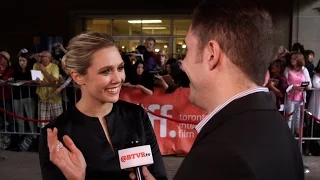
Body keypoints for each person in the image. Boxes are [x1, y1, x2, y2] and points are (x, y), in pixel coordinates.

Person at [140, 1, 305, 180]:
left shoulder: (218, 154)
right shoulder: (277, 126)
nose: (184, 65)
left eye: (187, 50)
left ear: (212, 54)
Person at [38, 32, 167, 180]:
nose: (118, 79)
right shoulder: (56, 134)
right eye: (106, 71)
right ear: (78, 77)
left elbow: (160, 175)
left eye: (120, 68)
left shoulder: (137, 115)